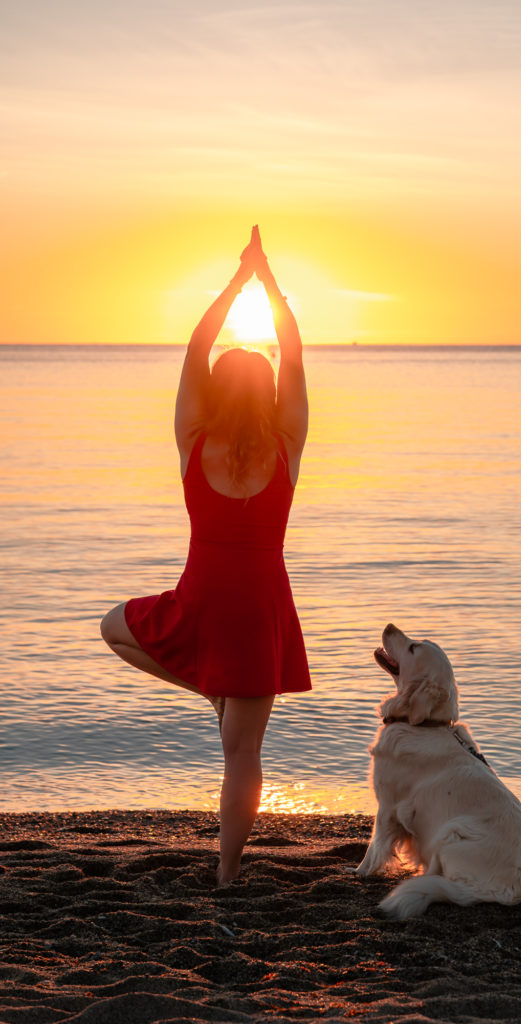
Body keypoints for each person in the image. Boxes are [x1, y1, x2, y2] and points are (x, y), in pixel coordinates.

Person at [100, 226, 311, 883]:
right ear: (271, 394)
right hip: (261, 604)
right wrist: (270, 283)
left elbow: (196, 348)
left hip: (203, 599)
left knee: (115, 626)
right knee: (243, 752)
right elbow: (296, 352)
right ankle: (226, 875)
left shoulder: (193, 441)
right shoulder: (286, 445)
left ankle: (213, 689)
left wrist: (234, 283)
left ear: (216, 391)